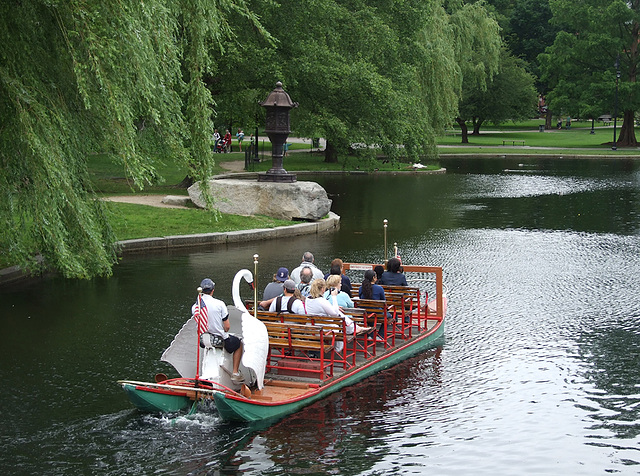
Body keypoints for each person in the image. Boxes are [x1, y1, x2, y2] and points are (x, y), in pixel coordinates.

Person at [192, 278, 243, 382]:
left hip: (203, 341)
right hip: (219, 340)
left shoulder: (195, 306)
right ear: (213, 290)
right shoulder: (219, 304)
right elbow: (227, 327)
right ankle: (235, 372)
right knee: (238, 343)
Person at [305, 279, 370, 345]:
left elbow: (322, 307)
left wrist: (334, 307)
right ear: (322, 289)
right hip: (324, 329)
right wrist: (334, 297)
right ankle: (338, 350)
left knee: (339, 315)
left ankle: (355, 328)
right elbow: (335, 313)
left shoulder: (308, 299)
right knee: (339, 326)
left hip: (313, 328)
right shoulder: (321, 300)